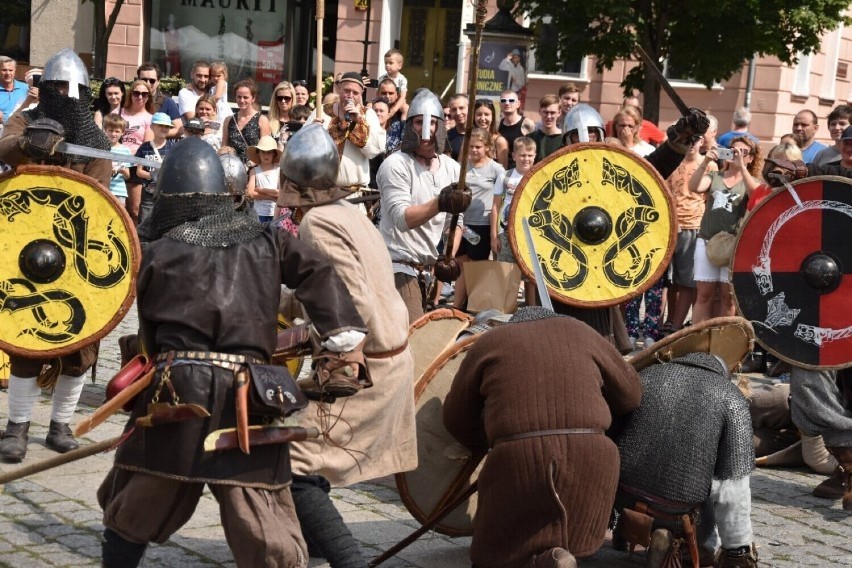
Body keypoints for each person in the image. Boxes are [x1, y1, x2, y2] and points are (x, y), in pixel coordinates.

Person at [97, 137, 367, 568]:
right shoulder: (268, 240)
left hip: (176, 390)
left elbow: (148, 337)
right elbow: (318, 271)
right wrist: (342, 342)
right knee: (259, 509)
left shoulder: (159, 251)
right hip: (250, 391)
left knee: (143, 494)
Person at [280, 124, 417, 567]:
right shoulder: (350, 213)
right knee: (309, 457)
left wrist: (304, 336)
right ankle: (316, 549)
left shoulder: (317, 223)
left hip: (363, 370)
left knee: (288, 456)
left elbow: (349, 305)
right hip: (389, 356)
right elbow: (333, 289)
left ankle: (347, 560)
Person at [443, 306, 642, 568]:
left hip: (517, 460)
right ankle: (553, 557)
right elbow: (632, 396)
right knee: (568, 535)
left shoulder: (490, 342)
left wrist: (487, 444)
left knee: (496, 552)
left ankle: (542, 559)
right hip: (593, 460)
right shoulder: (585, 332)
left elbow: (456, 417)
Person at [0, 48, 112, 463]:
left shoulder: (96, 140)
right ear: (45, 89)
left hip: (77, 248)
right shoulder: (27, 118)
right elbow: (4, 148)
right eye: (59, 88)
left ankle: (61, 424)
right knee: (26, 340)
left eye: (74, 89)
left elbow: (100, 203)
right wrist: (29, 145)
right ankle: (17, 427)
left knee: (81, 346)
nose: (67, 95)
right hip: (26, 244)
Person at [554, 103, 710, 352]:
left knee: (603, 343)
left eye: (593, 133)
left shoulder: (609, 168)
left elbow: (648, 170)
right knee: (563, 340)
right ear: (566, 137)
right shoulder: (554, 169)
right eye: (579, 134)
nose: (587, 139)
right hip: (566, 261)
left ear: (602, 135)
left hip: (602, 258)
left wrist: (679, 140)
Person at [612, 348, 758, 567]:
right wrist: (738, 549)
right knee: (709, 489)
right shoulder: (730, 397)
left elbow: (612, 437)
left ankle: (623, 531)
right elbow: (733, 489)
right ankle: (672, 541)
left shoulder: (647, 375)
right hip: (675, 514)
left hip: (620, 500)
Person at [376, 89, 468, 323]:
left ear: (441, 126)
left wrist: (449, 256)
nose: (425, 131)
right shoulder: (395, 164)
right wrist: (440, 202)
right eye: (418, 122)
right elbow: (402, 218)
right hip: (398, 265)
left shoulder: (452, 168)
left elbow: (455, 223)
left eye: (431, 123)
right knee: (414, 336)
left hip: (428, 271)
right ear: (409, 126)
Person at [688, 136, 761, 323]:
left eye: (742, 152)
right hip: (706, 241)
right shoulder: (715, 176)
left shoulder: (750, 180)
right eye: (733, 150)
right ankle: (699, 341)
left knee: (728, 298)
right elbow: (694, 186)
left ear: (751, 158)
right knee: (704, 295)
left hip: (733, 246)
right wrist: (706, 161)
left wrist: (742, 168)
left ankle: (722, 345)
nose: (736, 154)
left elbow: (756, 197)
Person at [665, 137, 717, 333]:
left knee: (687, 281)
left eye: (695, 139)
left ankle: (677, 326)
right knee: (669, 281)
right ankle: (669, 320)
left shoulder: (709, 165)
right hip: (670, 226)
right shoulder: (672, 162)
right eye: (687, 139)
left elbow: (711, 196)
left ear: (702, 141)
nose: (691, 143)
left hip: (693, 225)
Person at [452, 127, 505, 310]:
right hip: (463, 223)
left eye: (478, 147)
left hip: (482, 224)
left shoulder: (496, 169)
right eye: (471, 147)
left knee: (476, 267)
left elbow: (502, 197)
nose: (474, 150)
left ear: (487, 147)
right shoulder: (462, 167)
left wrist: (495, 233)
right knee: (461, 264)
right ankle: (457, 305)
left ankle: (474, 306)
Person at [311, 71, 385, 190]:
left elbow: (374, 150)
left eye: (355, 92)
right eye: (346, 90)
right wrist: (310, 132)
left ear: (361, 94)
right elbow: (303, 147)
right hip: (322, 190)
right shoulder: (321, 111)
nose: (350, 95)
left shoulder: (368, 115)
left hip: (352, 193)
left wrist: (357, 122)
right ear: (339, 89)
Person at [491, 136, 537, 306]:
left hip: (529, 234)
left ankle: (532, 312)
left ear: (535, 155)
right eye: (522, 155)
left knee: (531, 276)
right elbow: (495, 207)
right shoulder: (505, 176)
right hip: (506, 232)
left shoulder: (538, 176)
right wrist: (494, 236)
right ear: (514, 156)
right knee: (507, 275)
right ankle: (508, 312)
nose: (526, 159)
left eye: (529, 155)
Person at [134, 112, 177, 225]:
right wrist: (154, 175)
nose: (164, 128)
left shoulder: (174, 148)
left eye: (167, 126)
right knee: (144, 224)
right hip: (148, 193)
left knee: (165, 225)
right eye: (160, 125)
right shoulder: (144, 147)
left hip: (167, 194)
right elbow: (139, 171)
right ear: (152, 127)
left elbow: (176, 171)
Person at [222, 79, 271, 166]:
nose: (241, 100)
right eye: (239, 96)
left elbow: (266, 150)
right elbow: (223, 148)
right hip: (232, 169)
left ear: (253, 98)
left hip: (254, 169)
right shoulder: (228, 120)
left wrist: (249, 165)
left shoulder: (262, 120)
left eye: (245, 97)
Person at [136, 62, 182, 138]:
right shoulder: (130, 100)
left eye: (152, 81)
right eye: (144, 80)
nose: (147, 83)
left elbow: (179, 129)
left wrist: (154, 134)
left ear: (158, 82)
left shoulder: (167, 102)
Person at [246, 135, 282, 222]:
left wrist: (261, 190)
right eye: (263, 152)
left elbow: (281, 193)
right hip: (259, 213)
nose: (266, 155)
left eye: (269, 152)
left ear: (274, 153)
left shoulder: (278, 171)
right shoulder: (254, 171)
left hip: (276, 213)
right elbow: (250, 193)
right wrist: (270, 197)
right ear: (258, 153)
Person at [498, 89, 536, 167]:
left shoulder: (527, 124)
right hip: (502, 169)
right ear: (500, 104)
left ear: (518, 104)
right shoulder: (497, 125)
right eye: (503, 100)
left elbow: (533, 148)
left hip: (521, 169)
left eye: (511, 100)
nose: (507, 103)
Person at [119, 79, 154, 156]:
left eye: (144, 94)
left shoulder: (150, 119)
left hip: (135, 161)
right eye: (136, 93)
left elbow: (146, 146)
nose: (140, 97)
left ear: (148, 97)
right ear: (130, 95)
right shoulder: (118, 112)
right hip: (114, 158)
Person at [104, 113, 132, 206]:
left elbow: (127, 175)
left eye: (117, 131)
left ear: (122, 132)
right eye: (110, 130)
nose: (113, 134)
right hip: (102, 188)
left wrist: (120, 169)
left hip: (119, 191)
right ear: (105, 130)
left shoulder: (126, 150)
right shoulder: (100, 148)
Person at [472, 98, 509, 168]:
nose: (483, 118)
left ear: (492, 116)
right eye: (479, 114)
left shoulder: (499, 141)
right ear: (474, 116)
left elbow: (503, 171)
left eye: (486, 114)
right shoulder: (468, 138)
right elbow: (460, 164)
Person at [530, 94, 565, 162]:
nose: (549, 116)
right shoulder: (530, 138)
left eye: (552, 113)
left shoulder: (565, 140)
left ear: (559, 113)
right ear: (539, 111)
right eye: (545, 112)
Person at [378, 48, 409, 120]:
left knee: (406, 108)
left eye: (390, 63)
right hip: (384, 101)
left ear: (399, 66)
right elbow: (378, 93)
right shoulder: (382, 78)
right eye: (386, 63)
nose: (387, 65)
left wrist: (393, 110)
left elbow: (402, 97)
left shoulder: (402, 79)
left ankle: (403, 126)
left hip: (398, 103)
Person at [269, 81, 297, 148]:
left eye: (287, 98)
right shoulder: (268, 121)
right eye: (280, 98)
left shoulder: (298, 121)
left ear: (293, 99)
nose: (283, 101)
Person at [0, 55, 27, 125]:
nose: (8, 73)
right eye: (4, 70)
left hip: (21, 127)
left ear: (15, 70)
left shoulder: (25, 87)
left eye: (10, 70)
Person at [446, 93, 469, 161]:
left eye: (461, 108)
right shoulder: (447, 137)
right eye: (454, 109)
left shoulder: (480, 134)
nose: (458, 113)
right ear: (450, 112)